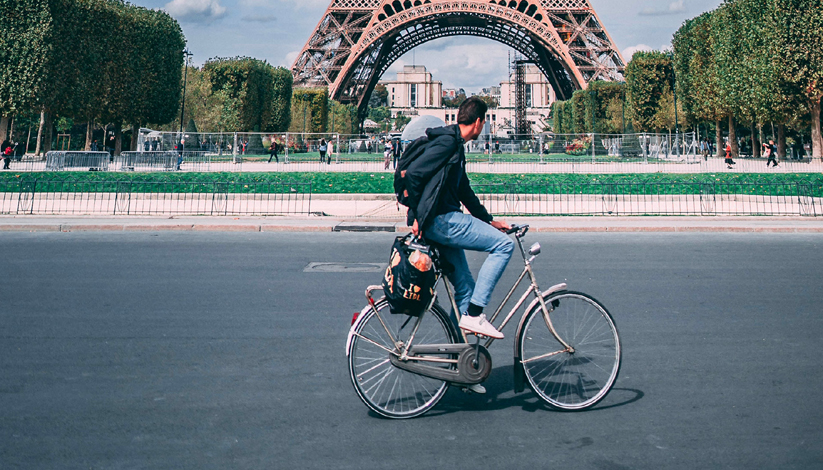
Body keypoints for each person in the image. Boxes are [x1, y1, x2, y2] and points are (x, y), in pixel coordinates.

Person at [405, 97, 513, 378]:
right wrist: (416, 215)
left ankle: (458, 368)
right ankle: (475, 313)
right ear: (479, 122)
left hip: (440, 222)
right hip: (442, 221)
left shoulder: (455, 144)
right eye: (484, 122)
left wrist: (488, 220)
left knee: (464, 286)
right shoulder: (448, 143)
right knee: (504, 245)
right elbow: (414, 174)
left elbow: (463, 189)